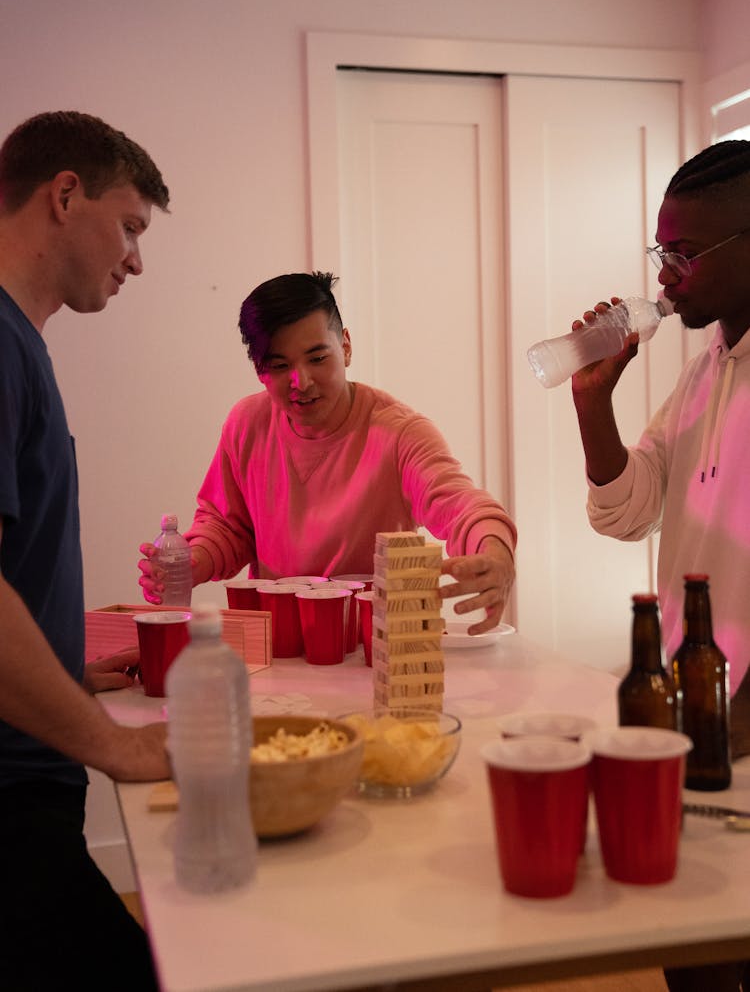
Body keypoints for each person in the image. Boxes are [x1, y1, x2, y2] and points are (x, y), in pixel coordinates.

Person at [569, 139, 750, 992]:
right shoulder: (705, 371)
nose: (666, 274)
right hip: (696, 703)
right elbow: (628, 507)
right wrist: (592, 402)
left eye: (684, 253)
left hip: (743, 714)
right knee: (694, 946)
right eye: (661, 252)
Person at [0, 111, 172, 990]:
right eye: (132, 226)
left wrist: (64, 664)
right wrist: (115, 744)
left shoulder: (21, 344)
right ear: (65, 194)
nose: (137, 259)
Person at [139, 271, 516, 631]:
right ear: (258, 368)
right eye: (280, 365)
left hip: (371, 645)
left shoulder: (399, 432)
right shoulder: (246, 423)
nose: (300, 382)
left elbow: (460, 503)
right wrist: (191, 562)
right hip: (281, 644)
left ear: (346, 346)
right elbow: (226, 525)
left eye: (318, 358)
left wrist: (495, 553)